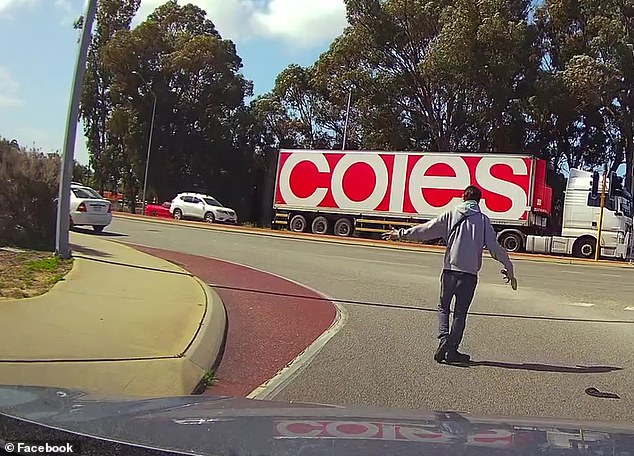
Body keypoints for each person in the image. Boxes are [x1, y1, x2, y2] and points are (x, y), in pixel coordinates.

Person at [382, 185, 518, 364]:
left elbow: (426, 230)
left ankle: (444, 338)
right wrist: (509, 268)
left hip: (449, 272)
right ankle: (452, 349)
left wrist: (401, 234)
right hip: (469, 275)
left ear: (463, 197)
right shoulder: (484, 221)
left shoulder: (451, 214)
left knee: (443, 307)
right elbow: (494, 248)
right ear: (479, 201)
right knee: (460, 313)